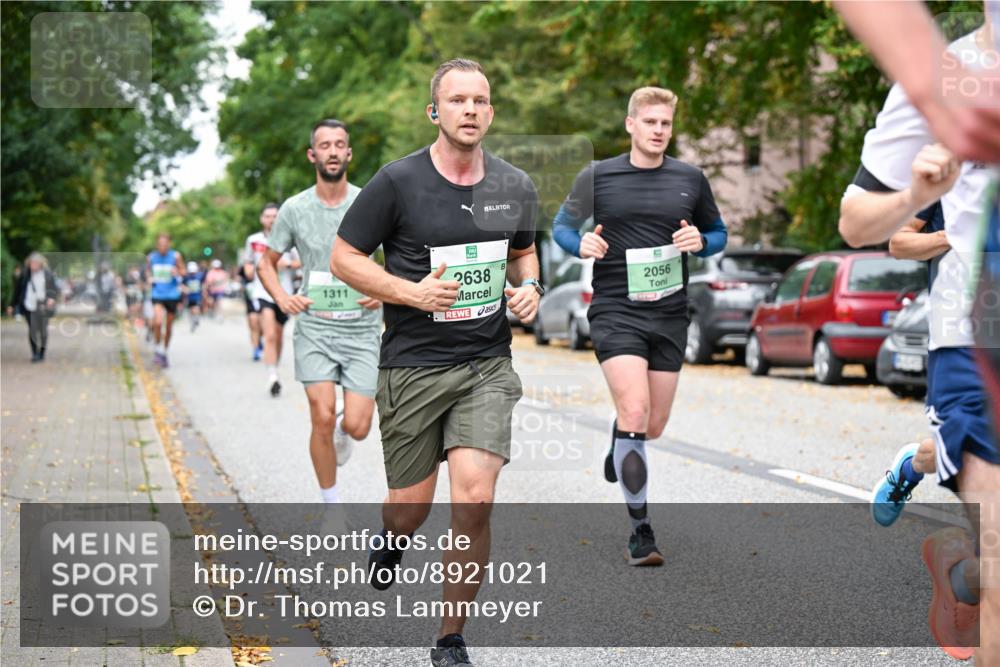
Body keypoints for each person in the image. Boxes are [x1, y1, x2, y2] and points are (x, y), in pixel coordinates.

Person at [330, 58, 540, 667]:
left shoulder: (514, 186)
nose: (470, 110)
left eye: (480, 100)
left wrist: (531, 289)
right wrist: (411, 292)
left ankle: (450, 639)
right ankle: (393, 537)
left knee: (473, 499)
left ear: (491, 112)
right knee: (410, 509)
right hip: (413, 367)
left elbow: (524, 254)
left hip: (485, 365)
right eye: (457, 101)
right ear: (435, 111)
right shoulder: (397, 182)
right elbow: (345, 257)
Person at [838, 22, 997, 661]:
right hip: (973, 327)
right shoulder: (942, 77)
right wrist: (924, 202)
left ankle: (961, 575)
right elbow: (871, 228)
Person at [551, 86, 727, 567]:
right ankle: (640, 532)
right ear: (631, 124)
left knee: (652, 424)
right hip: (616, 309)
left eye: (665, 124)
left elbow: (719, 233)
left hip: (670, 313)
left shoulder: (690, 179)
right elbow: (561, 227)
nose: (658, 131)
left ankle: (621, 440)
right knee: (634, 411)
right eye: (650, 122)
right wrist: (579, 244)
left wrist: (701, 241)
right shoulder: (598, 176)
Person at [258, 119, 381, 521]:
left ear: (349, 154)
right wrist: (281, 298)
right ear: (313, 155)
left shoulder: (369, 202)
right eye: (324, 145)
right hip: (315, 327)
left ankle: (346, 433)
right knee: (322, 413)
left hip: (362, 329)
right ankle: (332, 505)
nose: (332, 151)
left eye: (339, 144)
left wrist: (382, 288)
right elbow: (266, 263)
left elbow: (400, 256)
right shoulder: (294, 208)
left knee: (359, 425)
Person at [244, 204, 300, 390]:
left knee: (277, 335)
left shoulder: (289, 239)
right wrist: (250, 271)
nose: (271, 219)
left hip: (284, 293)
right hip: (262, 292)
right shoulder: (254, 240)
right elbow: (248, 263)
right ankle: (273, 376)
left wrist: (288, 264)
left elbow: (301, 261)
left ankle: (274, 367)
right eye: (268, 216)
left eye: (275, 216)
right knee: (269, 334)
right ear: (262, 219)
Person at [147, 232, 186, 367]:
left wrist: (178, 272)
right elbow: (147, 272)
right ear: (157, 245)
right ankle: (158, 349)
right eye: (160, 245)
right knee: (157, 322)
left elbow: (184, 272)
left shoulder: (175, 256)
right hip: (157, 293)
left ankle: (164, 351)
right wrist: (149, 278)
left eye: (165, 244)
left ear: (169, 244)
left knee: (168, 327)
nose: (162, 247)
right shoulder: (151, 257)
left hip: (172, 295)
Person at [13, 252, 59, 362]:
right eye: (31, 263)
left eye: (35, 263)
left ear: (41, 263)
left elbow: (54, 289)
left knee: (42, 330)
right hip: (29, 305)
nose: (33, 265)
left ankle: (42, 352)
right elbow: (18, 291)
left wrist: (51, 299)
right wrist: (12, 304)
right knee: (32, 329)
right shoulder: (25, 274)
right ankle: (35, 353)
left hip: (43, 305)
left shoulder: (47, 274)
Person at [183, 261, 205, 332]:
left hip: (197, 296)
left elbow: (204, 284)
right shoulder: (186, 278)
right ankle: (193, 321)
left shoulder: (199, 276)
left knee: (196, 308)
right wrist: (185, 289)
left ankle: (196, 319)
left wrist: (204, 291)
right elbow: (182, 285)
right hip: (189, 297)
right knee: (191, 310)